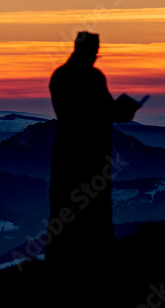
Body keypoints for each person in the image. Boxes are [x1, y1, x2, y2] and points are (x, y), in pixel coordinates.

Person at [46, 31, 144, 266]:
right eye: (94, 52)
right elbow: (104, 112)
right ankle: (93, 258)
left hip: (69, 154)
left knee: (67, 205)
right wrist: (123, 111)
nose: (96, 56)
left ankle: (63, 259)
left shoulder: (61, 76)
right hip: (90, 153)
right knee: (92, 208)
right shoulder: (91, 78)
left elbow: (74, 113)